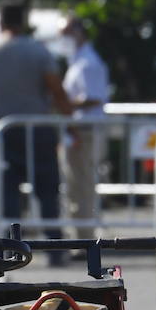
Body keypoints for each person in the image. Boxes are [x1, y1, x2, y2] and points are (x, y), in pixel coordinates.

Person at [0, 1, 74, 261]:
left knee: (7, 195)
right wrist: (70, 121)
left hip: (0, 132)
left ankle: (10, 252)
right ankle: (54, 250)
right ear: (23, 22)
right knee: (47, 191)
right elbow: (55, 88)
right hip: (36, 129)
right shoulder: (37, 51)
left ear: (0, 23)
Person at [57, 16, 110, 236]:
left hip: (84, 130)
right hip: (78, 129)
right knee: (75, 185)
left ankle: (84, 237)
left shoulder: (88, 62)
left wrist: (63, 103)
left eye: (66, 33)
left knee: (81, 185)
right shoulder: (79, 60)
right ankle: (81, 235)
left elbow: (94, 97)